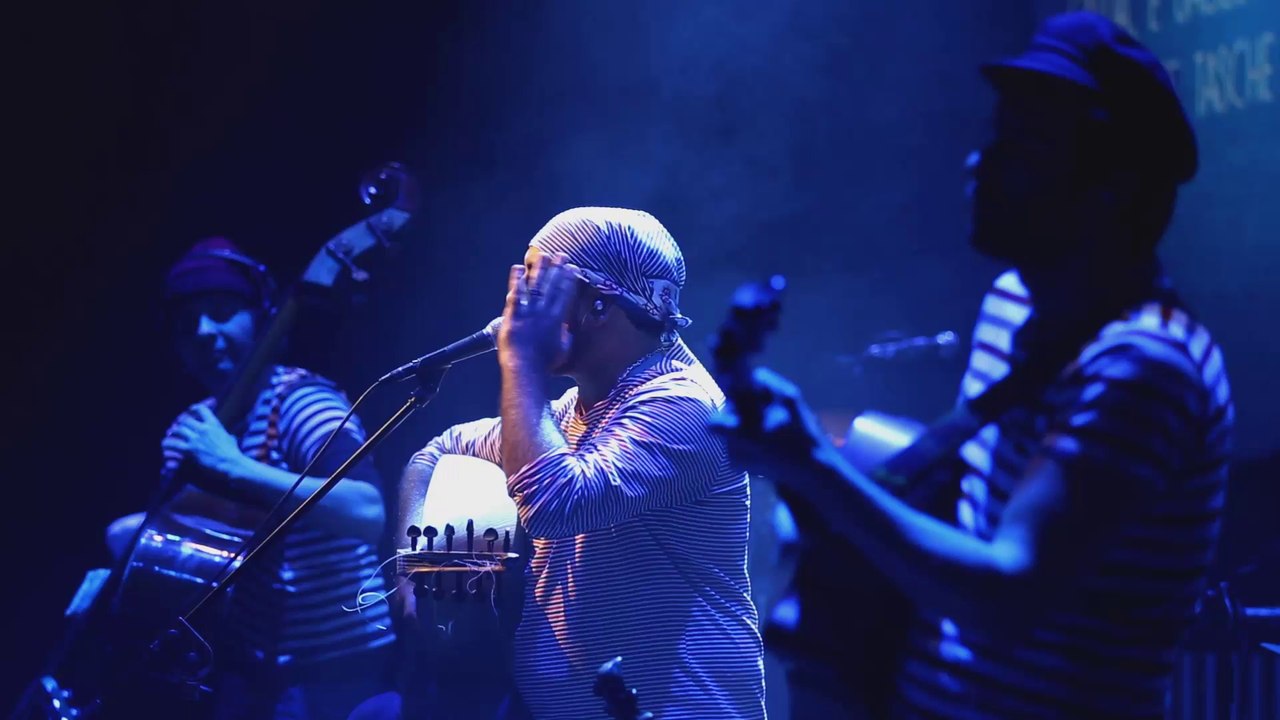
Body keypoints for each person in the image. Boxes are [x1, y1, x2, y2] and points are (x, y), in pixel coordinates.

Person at [713, 12, 1232, 720]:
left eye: (1026, 145)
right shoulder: (1012, 304)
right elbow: (965, 534)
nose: (981, 161)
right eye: (998, 134)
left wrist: (819, 471)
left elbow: (1007, 597)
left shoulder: (1147, 364)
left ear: (1111, 185)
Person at [393, 207, 766, 719]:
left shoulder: (685, 406)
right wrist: (419, 570)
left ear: (597, 306)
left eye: (539, 285)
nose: (517, 306)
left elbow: (555, 504)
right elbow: (433, 455)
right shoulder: (572, 411)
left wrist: (520, 360)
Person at [104, 237, 396, 720]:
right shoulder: (192, 429)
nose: (203, 332)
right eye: (185, 325)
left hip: (339, 667)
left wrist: (234, 467)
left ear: (260, 321)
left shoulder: (301, 401)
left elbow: (366, 512)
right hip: (246, 670)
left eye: (221, 312)